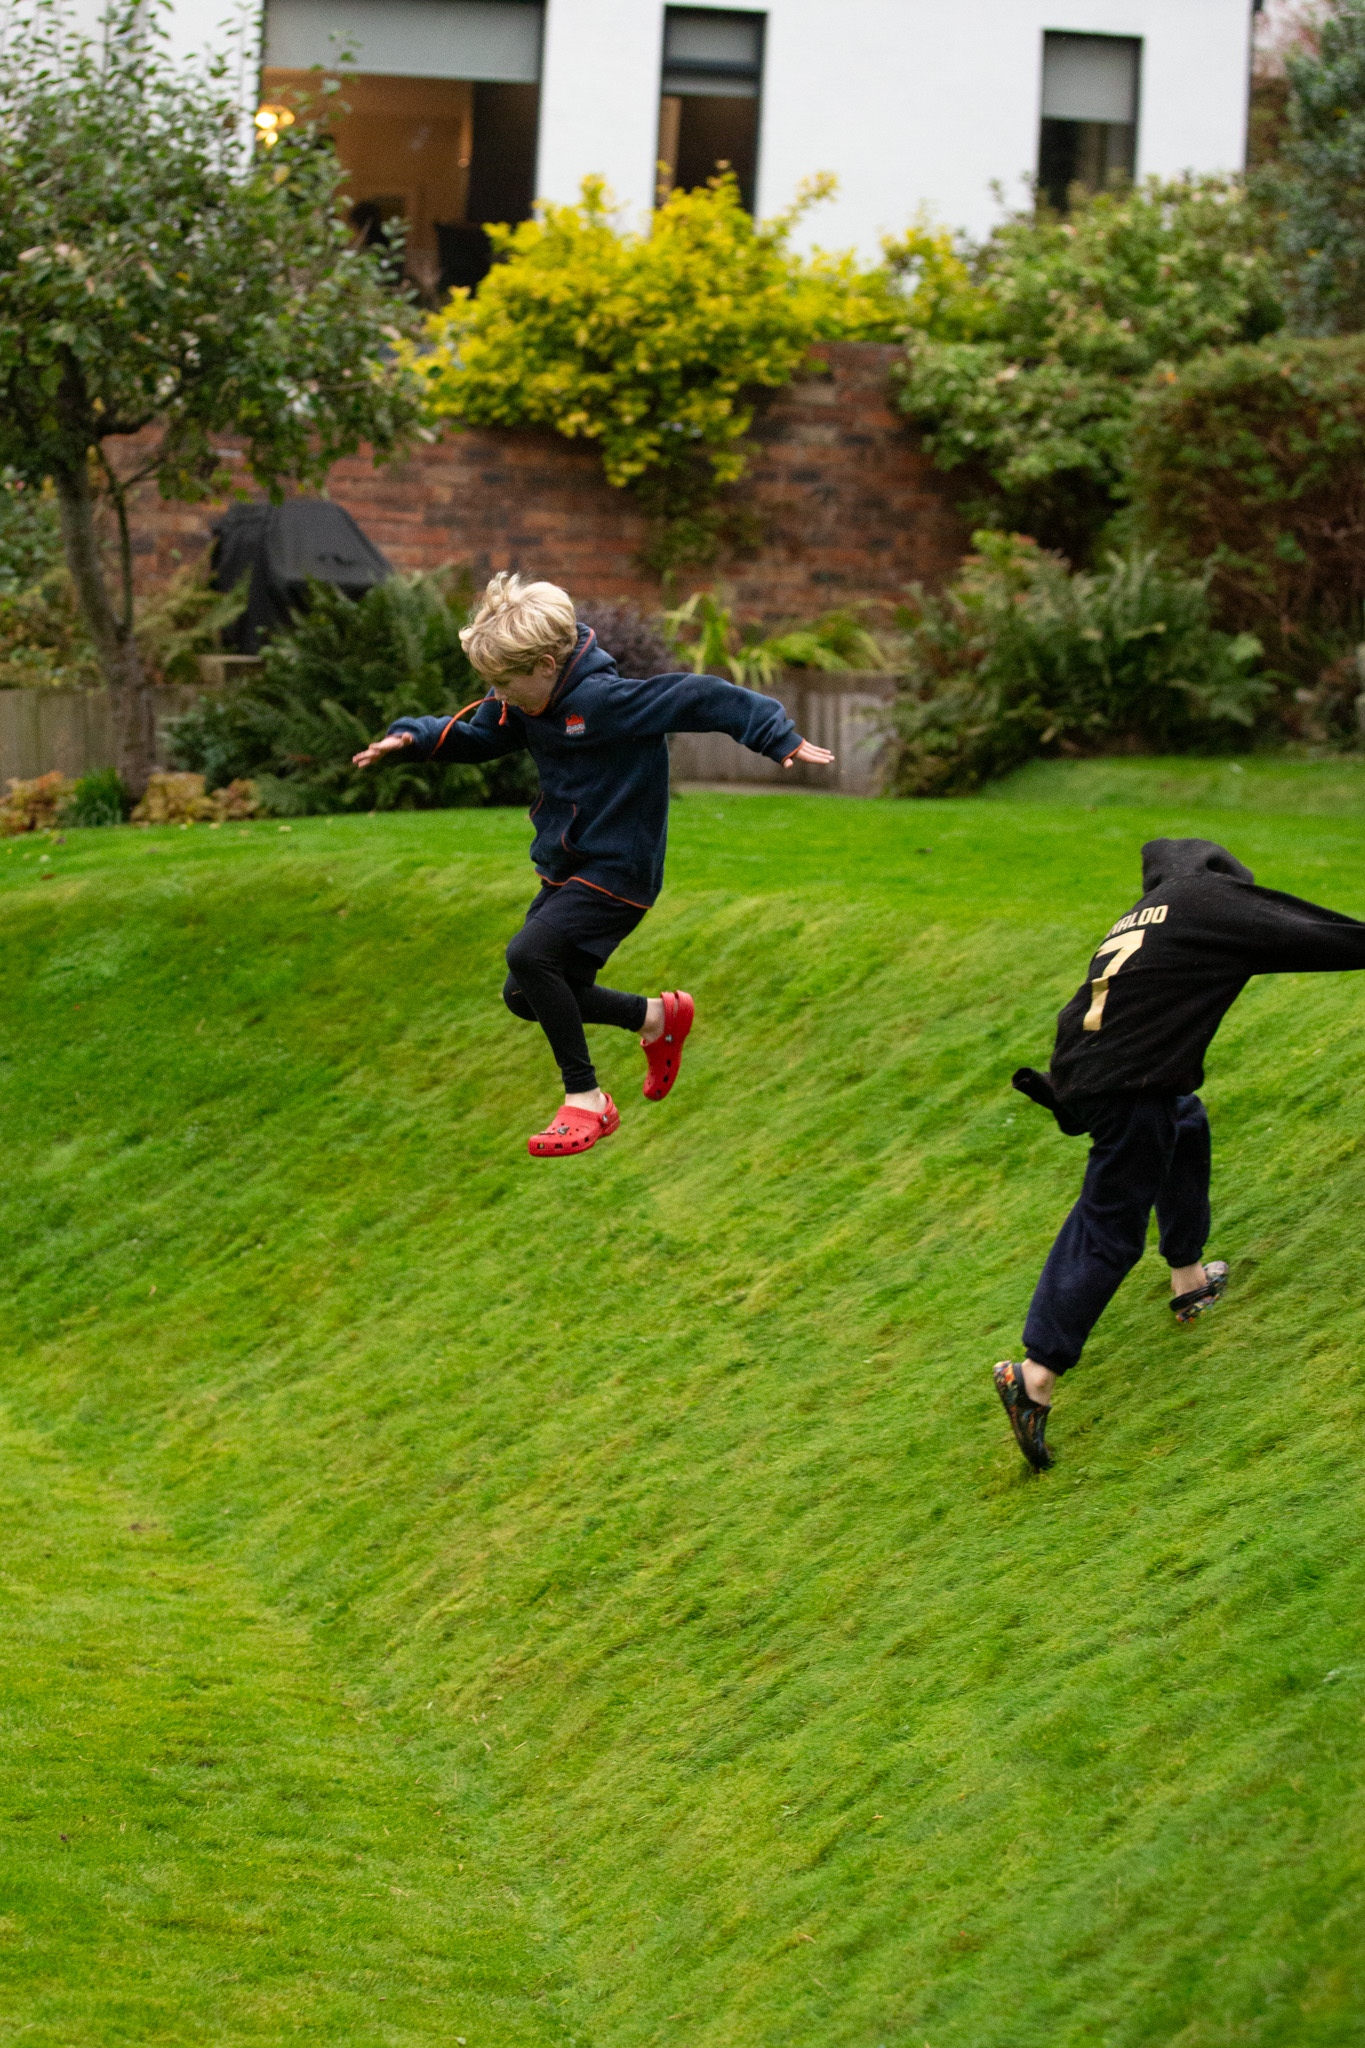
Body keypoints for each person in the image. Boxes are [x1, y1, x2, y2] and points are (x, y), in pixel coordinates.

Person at [353, 573, 833, 1157]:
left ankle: (586, 1100)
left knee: (529, 955)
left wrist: (775, 734)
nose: (498, 695)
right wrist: (414, 737)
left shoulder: (605, 702)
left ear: (548, 663)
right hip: (568, 866)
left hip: (619, 870)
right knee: (525, 994)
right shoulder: (527, 702)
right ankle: (655, 1018)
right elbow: (479, 734)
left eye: (505, 682)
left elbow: (701, 697)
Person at [995, 838, 1365, 1472]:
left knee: (1184, 1125)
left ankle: (1189, 1279)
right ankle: (1035, 1375)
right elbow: (1325, 935)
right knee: (1110, 1226)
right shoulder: (1215, 904)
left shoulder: (1153, 907)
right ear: (1230, 880)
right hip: (1128, 1085)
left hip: (1088, 1071)